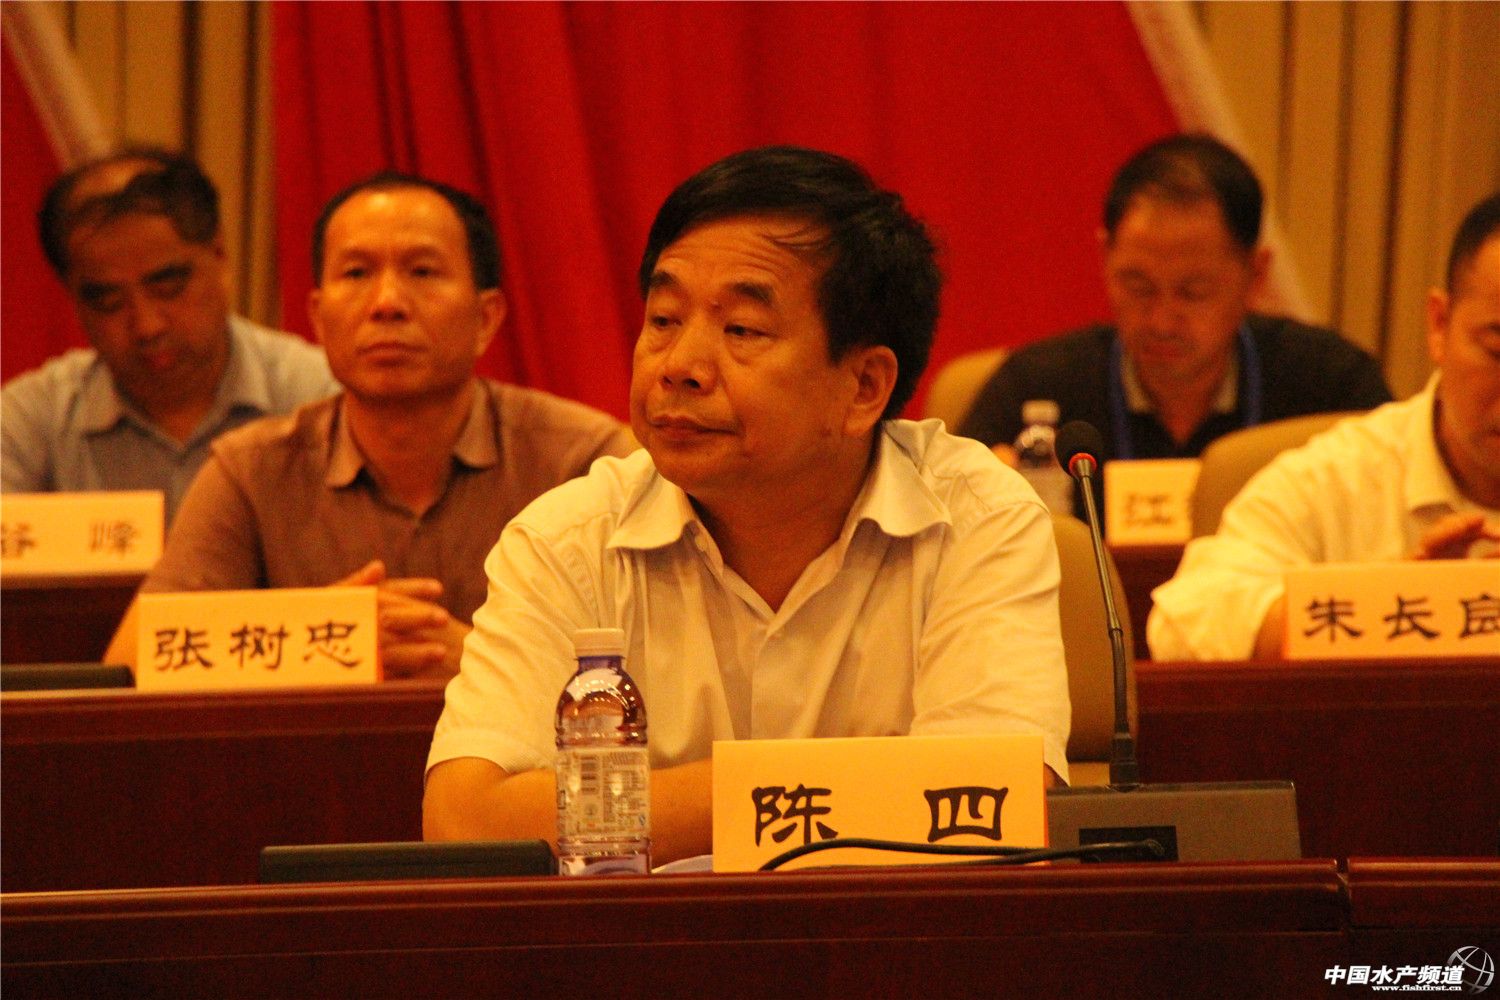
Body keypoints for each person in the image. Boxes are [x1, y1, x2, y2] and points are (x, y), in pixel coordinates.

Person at [423, 146, 1072, 863]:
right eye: (664, 319)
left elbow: (992, 801)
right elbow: (464, 821)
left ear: (863, 387)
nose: (678, 367)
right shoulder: (567, 539)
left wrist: (632, 806)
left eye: (741, 331)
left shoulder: (975, 518)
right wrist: (807, 789)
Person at [103, 172, 635, 678]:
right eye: (356, 274)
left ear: (486, 318)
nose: (386, 304)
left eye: (422, 272)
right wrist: (323, 636)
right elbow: (129, 662)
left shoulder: (585, 461)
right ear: (318, 319)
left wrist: (482, 664)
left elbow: (666, 665)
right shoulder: (252, 471)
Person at [1148, 193, 1500, 662]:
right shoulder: (1335, 478)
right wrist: (1386, 610)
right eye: (1498, 352)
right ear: (1439, 325)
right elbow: (1186, 620)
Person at [959, 134, 1390, 485]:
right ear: (1105, 257)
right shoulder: (1033, 393)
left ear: (1255, 275)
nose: (1162, 321)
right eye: (1139, 287)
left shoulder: (1332, 391)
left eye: (1193, 292)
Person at [2, 148, 337, 523]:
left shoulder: (322, 400)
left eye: (168, 287)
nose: (147, 326)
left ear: (219, 255)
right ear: (72, 297)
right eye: (109, 302)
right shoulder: (31, 422)